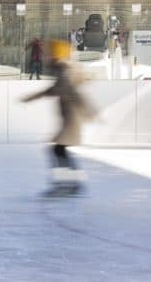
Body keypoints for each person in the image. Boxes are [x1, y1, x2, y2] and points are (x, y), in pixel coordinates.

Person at [21, 39, 97, 198]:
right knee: (60, 150)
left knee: (57, 150)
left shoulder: (63, 72)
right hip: (70, 117)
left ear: (56, 56)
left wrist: (88, 111)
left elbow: (65, 91)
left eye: (49, 54)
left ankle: (65, 184)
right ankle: (71, 184)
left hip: (71, 118)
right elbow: (59, 89)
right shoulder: (64, 70)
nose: (45, 57)